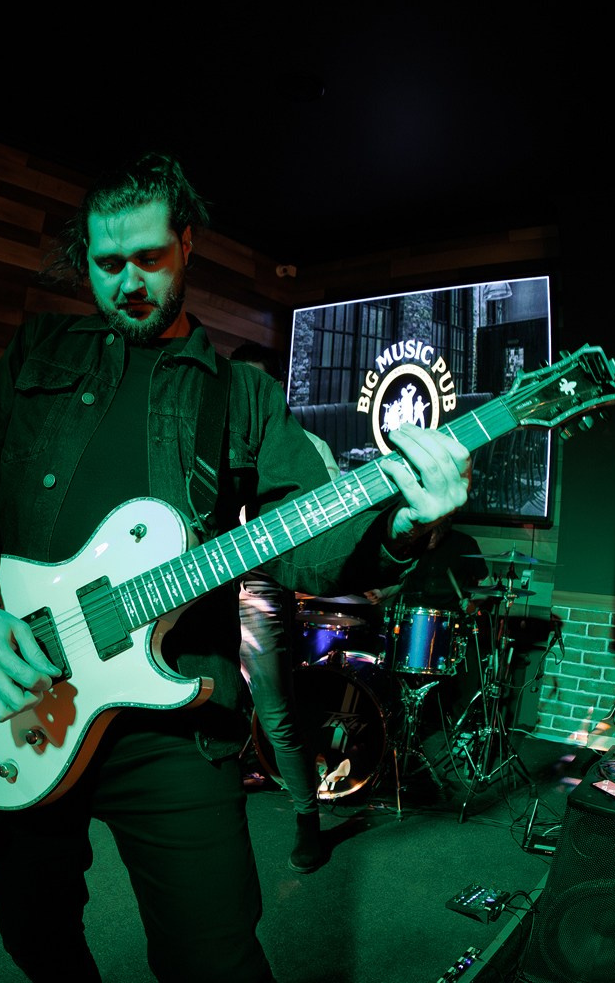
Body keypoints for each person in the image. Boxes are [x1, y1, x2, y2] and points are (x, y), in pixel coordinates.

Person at [0, 151, 470, 983]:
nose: (127, 283)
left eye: (148, 257)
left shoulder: (242, 395)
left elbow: (310, 546)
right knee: (34, 931)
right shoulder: (39, 350)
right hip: (27, 685)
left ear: (185, 244)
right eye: (107, 263)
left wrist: (404, 525)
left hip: (177, 727)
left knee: (216, 958)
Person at [228, 342, 337, 874]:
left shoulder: (308, 447)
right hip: (200, 586)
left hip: (262, 585)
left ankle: (307, 816)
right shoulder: (215, 438)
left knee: (274, 712)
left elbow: (330, 528)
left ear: (275, 389)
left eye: (254, 383)